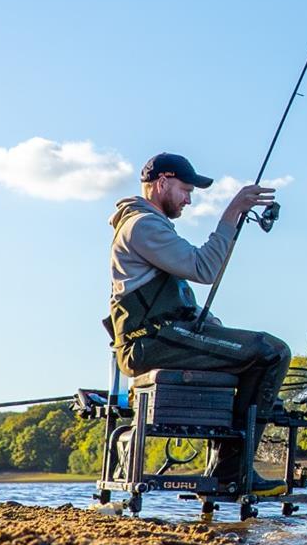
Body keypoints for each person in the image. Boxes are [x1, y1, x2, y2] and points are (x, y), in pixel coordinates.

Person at [108, 152, 290, 489]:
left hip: (162, 337)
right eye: (185, 190)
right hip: (153, 342)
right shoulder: (143, 225)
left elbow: (179, 300)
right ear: (162, 183)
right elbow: (204, 269)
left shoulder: (149, 226)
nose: (189, 200)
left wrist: (215, 329)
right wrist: (233, 212)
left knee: (257, 353)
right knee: (271, 352)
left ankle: (227, 467)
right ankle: (232, 472)